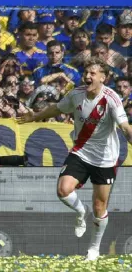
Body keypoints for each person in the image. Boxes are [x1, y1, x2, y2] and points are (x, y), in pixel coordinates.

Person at [18, 57, 132, 261]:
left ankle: (94, 249)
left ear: (102, 78)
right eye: (86, 72)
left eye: (93, 73)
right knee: (63, 190)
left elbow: (124, 127)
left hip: (105, 158)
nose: (87, 76)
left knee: (100, 207)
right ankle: (81, 211)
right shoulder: (76, 94)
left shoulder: (112, 99)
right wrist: (34, 116)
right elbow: (58, 108)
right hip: (81, 151)